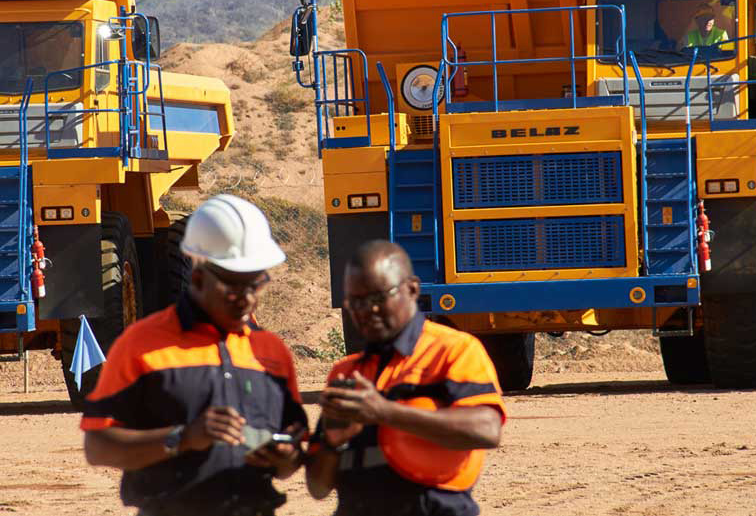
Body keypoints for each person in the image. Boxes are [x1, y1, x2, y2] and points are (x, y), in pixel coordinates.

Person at [81, 194, 307, 516]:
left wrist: (286, 457)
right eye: (233, 286)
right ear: (198, 278)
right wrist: (183, 438)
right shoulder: (141, 345)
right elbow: (98, 446)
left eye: (255, 284)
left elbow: (292, 456)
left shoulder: (271, 354)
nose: (246, 299)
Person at [305, 240, 505, 516]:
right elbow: (317, 487)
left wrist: (384, 411)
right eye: (356, 302)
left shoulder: (453, 350)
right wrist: (331, 443)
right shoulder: (345, 372)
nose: (368, 311)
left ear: (412, 289)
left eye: (378, 298)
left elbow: (487, 430)